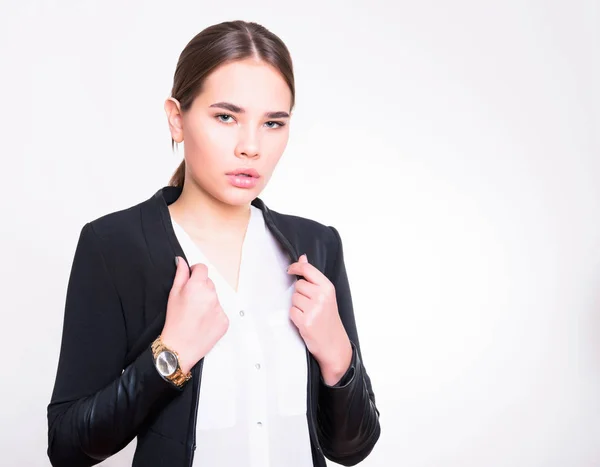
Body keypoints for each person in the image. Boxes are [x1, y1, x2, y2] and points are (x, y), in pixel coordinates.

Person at [47, 20, 380, 467]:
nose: (251, 147)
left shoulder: (316, 246)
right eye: (226, 116)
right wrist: (171, 356)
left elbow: (353, 448)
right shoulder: (114, 246)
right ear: (176, 118)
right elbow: (68, 447)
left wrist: (338, 356)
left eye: (273, 123)